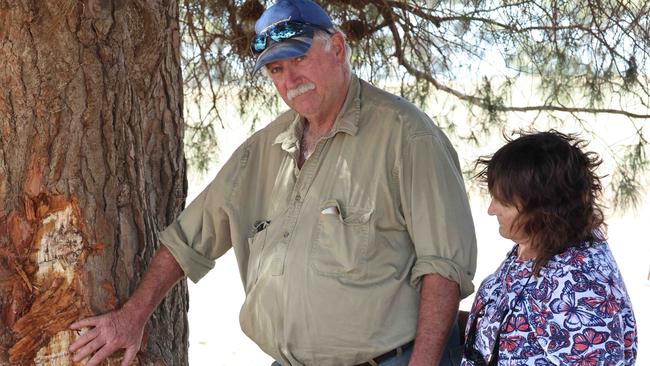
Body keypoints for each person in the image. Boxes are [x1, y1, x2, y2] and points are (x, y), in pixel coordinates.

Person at [68, 0, 477, 365]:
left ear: (338, 48)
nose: (289, 79)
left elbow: (443, 267)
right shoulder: (263, 150)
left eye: (298, 59)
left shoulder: (407, 136)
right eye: (276, 69)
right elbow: (187, 239)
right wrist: (131, 317)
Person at [463, 130, 637, 365]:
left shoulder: (579, 287)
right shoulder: (537, 244)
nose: (491, 210)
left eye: (503, 202)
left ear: (543, 209)